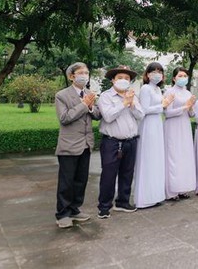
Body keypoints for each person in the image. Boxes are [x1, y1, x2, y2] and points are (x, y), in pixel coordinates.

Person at [54, 62, 101, 228]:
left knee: (81, 180)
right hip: (69, 145)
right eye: (80, 72)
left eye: (86, 73)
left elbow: (97, 114)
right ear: (71, 76)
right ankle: (62, 213)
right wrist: (83, 104)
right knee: (67, 181)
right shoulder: (62, 95)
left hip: (86, 144)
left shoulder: (89, 93)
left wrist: (89, 106)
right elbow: (65, 118)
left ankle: (75, 209)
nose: (84, 75)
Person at [97, 65, 144, 219]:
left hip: (130, 141)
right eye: (120, 78)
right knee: (109, 175)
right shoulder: (106, 96)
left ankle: (123, 201)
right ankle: (104, 206)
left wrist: (131, 104)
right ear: (113, 80)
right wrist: (123, 103)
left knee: (127, 173)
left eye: (127, 78)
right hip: (112, 142)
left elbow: (140, 115)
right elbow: (108, 116)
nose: (123, 80)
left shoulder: (133, 96)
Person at [134, 62, 172, 209]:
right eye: (154, 71)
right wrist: (162, 106)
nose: (157, 74)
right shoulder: (145, 88)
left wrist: (163, 106)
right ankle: (145, 198)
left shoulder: (157, 89)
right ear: (147, 74)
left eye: (160, 71)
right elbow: (144, 110)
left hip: (157, 124)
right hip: (148, 125)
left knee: (157, 159)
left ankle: (156, 194)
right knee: (148, 158)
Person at [163, 67, 197, 201]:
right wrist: (185, 107)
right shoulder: (169, 92)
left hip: (185, 126)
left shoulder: (188, 93)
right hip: (173, 127)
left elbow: (192, 114)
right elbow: (167, 113)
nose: (183, 78)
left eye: (185, 76)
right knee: (173, 157)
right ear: (174, 78)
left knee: (185, 157)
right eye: (180, 75)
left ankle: (183, 188)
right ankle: (172, 191)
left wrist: (191, 106)